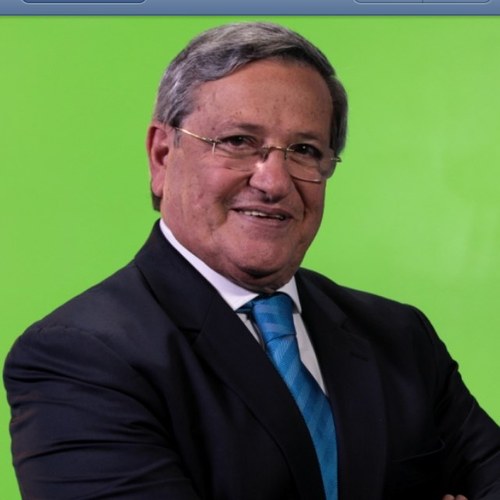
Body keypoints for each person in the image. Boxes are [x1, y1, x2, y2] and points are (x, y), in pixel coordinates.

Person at [4, 22, 499, 500]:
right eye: (238, 142)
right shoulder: (79, 358)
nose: (274, 181)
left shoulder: (400, 337)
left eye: (304, 150)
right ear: (162, 155)